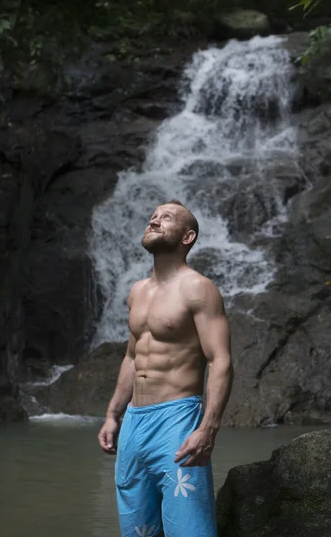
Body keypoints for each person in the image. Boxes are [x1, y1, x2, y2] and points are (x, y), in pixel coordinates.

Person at [98, 199, 233, 537]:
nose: (154, 221)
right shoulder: (137, 291)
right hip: (134, 423)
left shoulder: (198, 288)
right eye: (153, 217)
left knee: (189, 528)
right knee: (138, 529)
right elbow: (132, 356)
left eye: (166, 218)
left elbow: (220, 360)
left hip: (177, 419)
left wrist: (209, 428)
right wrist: (113, 415)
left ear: (187, 237)